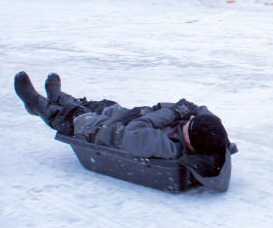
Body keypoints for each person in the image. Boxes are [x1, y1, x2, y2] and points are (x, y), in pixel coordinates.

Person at [14, 71, 232, 188]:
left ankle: (36, 103)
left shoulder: (170, 148)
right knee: (98, 104)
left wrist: (175, 112)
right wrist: (194, 110)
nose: (187, 120)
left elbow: (137, 129)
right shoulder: (207, 138)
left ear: (191, 142)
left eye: (188, 125)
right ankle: (59, 96)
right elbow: (204, 115)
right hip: (120, 116)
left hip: (99, 132)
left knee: (70, 116)